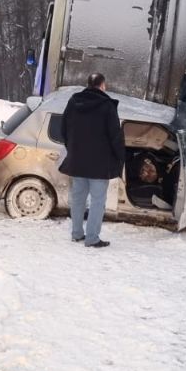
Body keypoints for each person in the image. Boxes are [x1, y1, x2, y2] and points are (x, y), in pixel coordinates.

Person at [59, 72, 124, 248]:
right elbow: (115, 136)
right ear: (102, 85)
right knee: (97, 201)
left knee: (78, 199)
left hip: (77, 161)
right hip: (99, 164)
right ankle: (92, 238)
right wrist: (120, 157)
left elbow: (63, 128)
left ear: (88, 84)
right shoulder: (107, 105)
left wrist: (71, 148)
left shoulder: (73, 102)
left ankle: (77, 233)